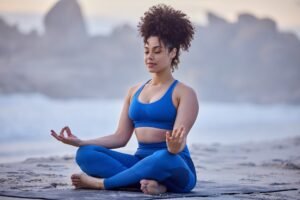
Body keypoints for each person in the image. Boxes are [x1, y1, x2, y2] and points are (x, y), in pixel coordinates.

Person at [51, 4, 199, 195]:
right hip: (140, 162)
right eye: (146, 51)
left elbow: (178, 144)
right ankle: (151, 185)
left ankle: (102, 183)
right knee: (86, 154)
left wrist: (174, 146)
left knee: (162, 157)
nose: (150, 57)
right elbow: (120, 137)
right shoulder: (134, 91)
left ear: (173, 52)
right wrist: (80, 142)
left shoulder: (185, 93)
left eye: (157, 51)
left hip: (174, 165)